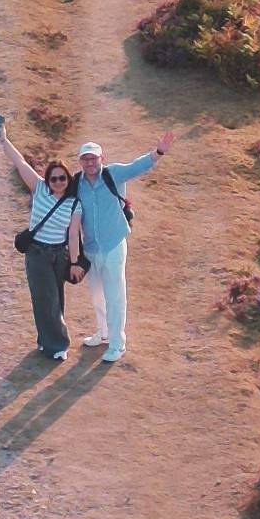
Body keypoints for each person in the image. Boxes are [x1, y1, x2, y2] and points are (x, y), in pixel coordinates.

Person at [65, 132, 168, 362]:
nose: (90, 163)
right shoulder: (76, 183)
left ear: (102, 158)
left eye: (94, 158)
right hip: (90, 248)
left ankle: (117, 343)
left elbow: (138, 166)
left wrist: (158, 152)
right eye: (86, 159)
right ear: (80, 161)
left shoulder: (113, 174)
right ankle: (103, 333)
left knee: (115, 295)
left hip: (113, 244)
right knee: (96, 295)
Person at [0, 116, 81, 362]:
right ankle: (58, 344)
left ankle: (46, 340)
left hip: (59, 254)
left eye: (63, 178)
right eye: (54, 178)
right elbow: (18, 161)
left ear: (68, 180)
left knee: (55, 298)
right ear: (47, 179)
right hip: (37, 254)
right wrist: (3, 137)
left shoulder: (73, 203)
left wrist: (74, 262)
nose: (58, 182)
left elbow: (73, 234)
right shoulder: (38, 187)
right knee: (44, 297)